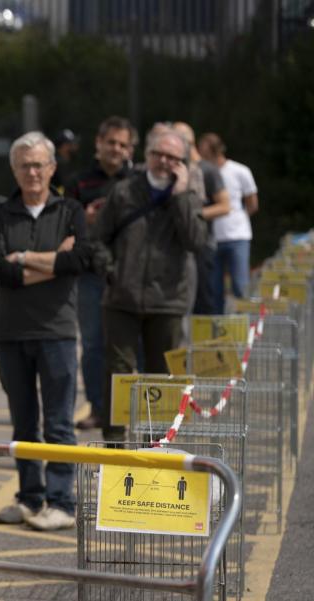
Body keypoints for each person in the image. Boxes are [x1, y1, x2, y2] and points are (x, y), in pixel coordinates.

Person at [0, 131, 91, 531]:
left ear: (52, 168)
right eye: (24, 165)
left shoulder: (70, 210)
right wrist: (50, 263)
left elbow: (80, 260)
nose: (32, 172)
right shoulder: (1, 213)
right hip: (10, 332)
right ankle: (29, 498)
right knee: (24, 422)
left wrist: (24, 259)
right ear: (14, 169)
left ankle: (61, 501)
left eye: (39, 164)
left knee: (59, 422)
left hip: (57, 331)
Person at [95, 128, 209, 440]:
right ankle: (115, 444)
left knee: (163, 379)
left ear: (182, 163)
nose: (164, 162)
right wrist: (110, 271)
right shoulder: (124, 192)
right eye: (159, 154)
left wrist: (181, 196)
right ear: (147, 156)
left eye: (173, 158)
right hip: (122, 298)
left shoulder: (187, 197)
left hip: (168, 301)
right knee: (118, 373)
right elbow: (98, 239)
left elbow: (196, 241)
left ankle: (155, 444)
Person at [65, 116, 136, 430]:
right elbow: (64, 225)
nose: (116, 149)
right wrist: (86, 218)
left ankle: (128, 412)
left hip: (130, 275)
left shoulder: (138, 182)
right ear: (98, 143)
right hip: (91, 275)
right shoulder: (78, 182)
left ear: (130, 149)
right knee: (93, 345)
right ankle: (97, 407)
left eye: (122, 144)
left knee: (130, 349)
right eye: (111, 142)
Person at [173, 122, 230, 315]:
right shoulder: (175, 168)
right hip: (178, 245)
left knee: (204, 299)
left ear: (189, 142)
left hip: (203, 245)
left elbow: (225, 206)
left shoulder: (208, 170)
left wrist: (194, 216)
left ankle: (205, 344)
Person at [198, 132, 258, 312]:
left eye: (203, 150)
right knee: (214, 290)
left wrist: (237, 219)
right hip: (212, 238)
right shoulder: (201, 172)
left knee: (240, 286)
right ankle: (217, 334)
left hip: (237, 236)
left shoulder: (240, 171)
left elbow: (252, 204)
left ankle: (245, 329)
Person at [51, 128, 79, 194]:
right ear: (63, 146)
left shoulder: (69, 162)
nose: (74, 146)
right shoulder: (60, 163)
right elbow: (67, 186)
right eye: (70, 144)